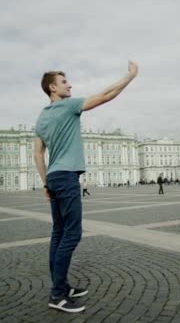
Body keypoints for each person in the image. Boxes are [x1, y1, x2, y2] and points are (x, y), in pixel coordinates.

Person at [34, 61, 138, 313]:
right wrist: (130, 76)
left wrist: (46, 183)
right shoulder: (68, 105)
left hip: (55, 177)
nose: (69, 85)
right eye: (64, 82)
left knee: (58, 234)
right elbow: (105, 96)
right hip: (67, 176)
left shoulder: (41, 118)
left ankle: (62, 285)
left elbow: (37, 155)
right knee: (72, 234)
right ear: (52, 88)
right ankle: (57, 295)